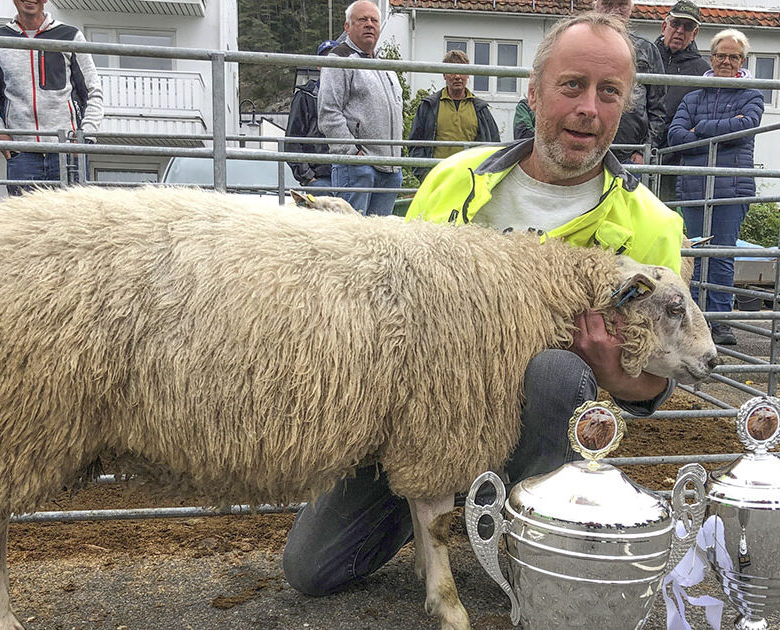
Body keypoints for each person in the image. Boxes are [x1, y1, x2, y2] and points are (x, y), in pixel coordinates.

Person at [283, 12, 685, 597]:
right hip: (421, 418)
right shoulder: (453, 179)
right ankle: (421, 503)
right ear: (535, 88)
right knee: (310, 570)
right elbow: (389, 302)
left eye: (609, 93)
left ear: (624, 105)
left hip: (536, 428)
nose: (588, 110)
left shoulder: (651, 227)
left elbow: (656, 383)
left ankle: (530, 537)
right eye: (571, 85)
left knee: (557, 371)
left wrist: (615, 377)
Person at [667, 28, 764, 346]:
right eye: (720, 55)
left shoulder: (751, 94)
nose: (726, 61)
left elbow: (745, 126)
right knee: (695, 257)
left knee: (721, 256)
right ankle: (695, 322)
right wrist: (718, 133)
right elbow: (675, 136)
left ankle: (720, 324)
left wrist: (703, 129)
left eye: (733, 56)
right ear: (711, 57)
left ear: (742, 60)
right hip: (694, 187)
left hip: (731, 188)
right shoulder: (693, 96)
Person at [0, 0, 103, 196]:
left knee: (71, 220)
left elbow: (92, 92)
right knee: (24, 222)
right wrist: (0, 136)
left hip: (67, 151)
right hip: (22, 153)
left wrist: (85, 138)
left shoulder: (70, 36)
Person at [317, 0, 402, 216]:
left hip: (390, 169)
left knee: (381, 242)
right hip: (357, 167)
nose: (369, 24)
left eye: (374, 20)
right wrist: (352, 152)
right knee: (350, 239)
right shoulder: (339, 58)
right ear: (347, 27)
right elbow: (328, 112)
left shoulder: (385, 67)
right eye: (362, 19)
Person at [407, 49, 500, 182]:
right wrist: (425, 175)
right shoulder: (429, 106)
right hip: (438, 177)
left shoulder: (480, 109)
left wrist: (484, 177)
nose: (457, 76)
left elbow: (494, 145)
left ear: (468, 74)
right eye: (451, 71)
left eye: (462, 71)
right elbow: (415, 143)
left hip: (470, 179)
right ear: (444, 74)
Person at [594, 0, 666, 166]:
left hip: (630, 153)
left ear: (630, 9)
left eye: (622, 5)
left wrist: (643, 150)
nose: (614, 11)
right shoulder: (579, 44)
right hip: (587, 146)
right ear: (596, 5)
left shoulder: (647, 50)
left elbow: (658, 108)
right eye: (608, 4)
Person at [653, 0, 709, 201]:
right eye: (676, 24)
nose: (680, 31)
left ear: (695, 34)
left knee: (664, 218)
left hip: (675, 160)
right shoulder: (643, 58)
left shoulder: (702, 72)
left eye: (688, 27)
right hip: (635, 153)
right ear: (664, 26)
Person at [285, 39, 339, 190]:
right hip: (320, 178)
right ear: (318, 65)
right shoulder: (305, 96)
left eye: (336, 59)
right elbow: (292, 140)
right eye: (326, 59)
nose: (331, 64)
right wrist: (309, 177)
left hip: (350, 175)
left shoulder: (352, 94)